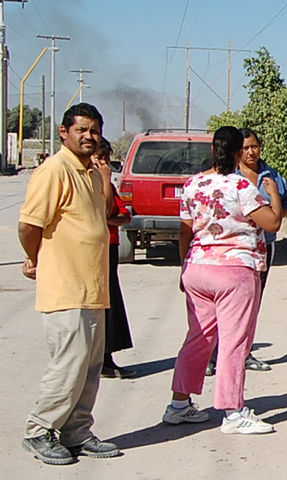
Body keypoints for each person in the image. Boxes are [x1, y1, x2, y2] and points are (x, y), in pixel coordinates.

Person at [18, 103, 120, 465]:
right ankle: (38, 430)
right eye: (82, 130)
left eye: (95, 130)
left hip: (93, 288)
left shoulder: (91, 172)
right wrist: (36, 259)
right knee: (69, 366)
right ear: (64, 132)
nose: (89, 136)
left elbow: (102, 216)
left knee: (90, 369)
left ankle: (76, 431)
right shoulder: (54, 170)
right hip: (65, 288)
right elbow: (29, 225)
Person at [163, 126, 283, 435]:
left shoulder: (193, 184)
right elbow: (272, 222)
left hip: (197, 268)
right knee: (233, 342)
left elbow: (184, 232)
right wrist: (273, 193)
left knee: (198, 337)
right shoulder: (241, 186)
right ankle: (233, 412)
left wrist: (183, 268)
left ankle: (178, 404)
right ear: (239, 152)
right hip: (234, 270)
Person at [205, 127, 287, 375]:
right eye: (245, 148)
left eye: (254, 146)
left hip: (263, 246)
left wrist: (277, 210)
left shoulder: (270, 175)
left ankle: (244, 354)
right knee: (223, 305)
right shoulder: (229, 175)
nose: (251, 152)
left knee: (251, 303)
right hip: (233, 249)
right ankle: (212, 356)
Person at [92, 138, 135, 379]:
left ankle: (107, 357)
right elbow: (107, 210)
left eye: (107, 159)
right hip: (96, 248)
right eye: (100, 159)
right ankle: (99, 359)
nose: (104, 164)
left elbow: (123, 215)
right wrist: (106, 180)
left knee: (111, 300)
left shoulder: (106, 183)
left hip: (111, 245)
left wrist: (111, 218)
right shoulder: (92, 182)